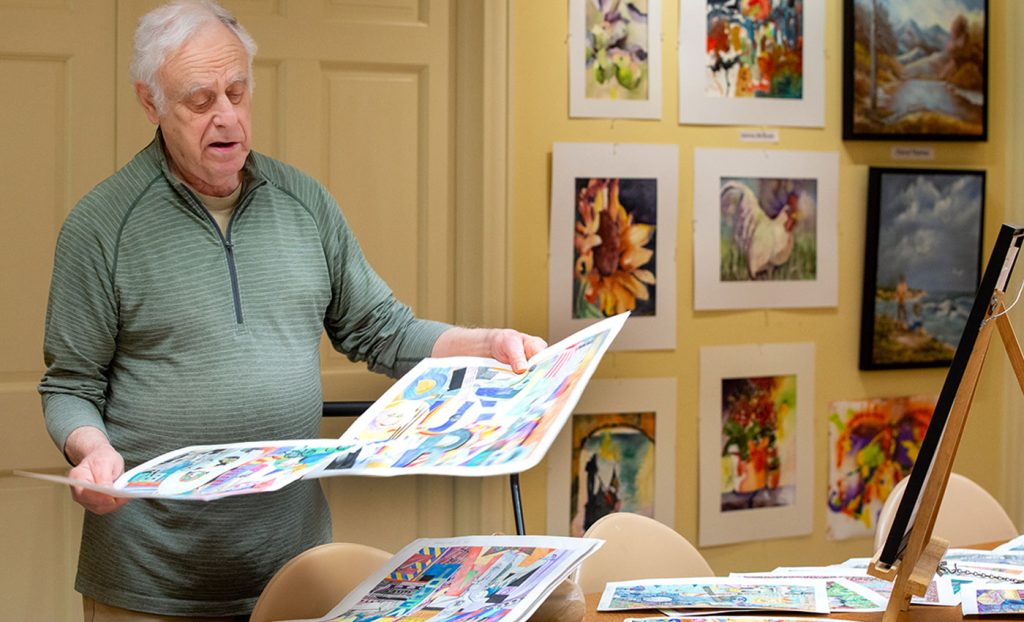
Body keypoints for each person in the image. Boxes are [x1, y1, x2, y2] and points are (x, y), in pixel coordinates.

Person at [37, 1, 546, 619]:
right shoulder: (102, 226)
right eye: (200, 100)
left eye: (237, 91)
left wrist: (485, 343)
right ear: (151, 104)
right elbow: (69, 386)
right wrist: (89, 448)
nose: (227, 117)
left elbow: (381, 329)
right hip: (151, 578)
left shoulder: (305, 204)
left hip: (294, 573)